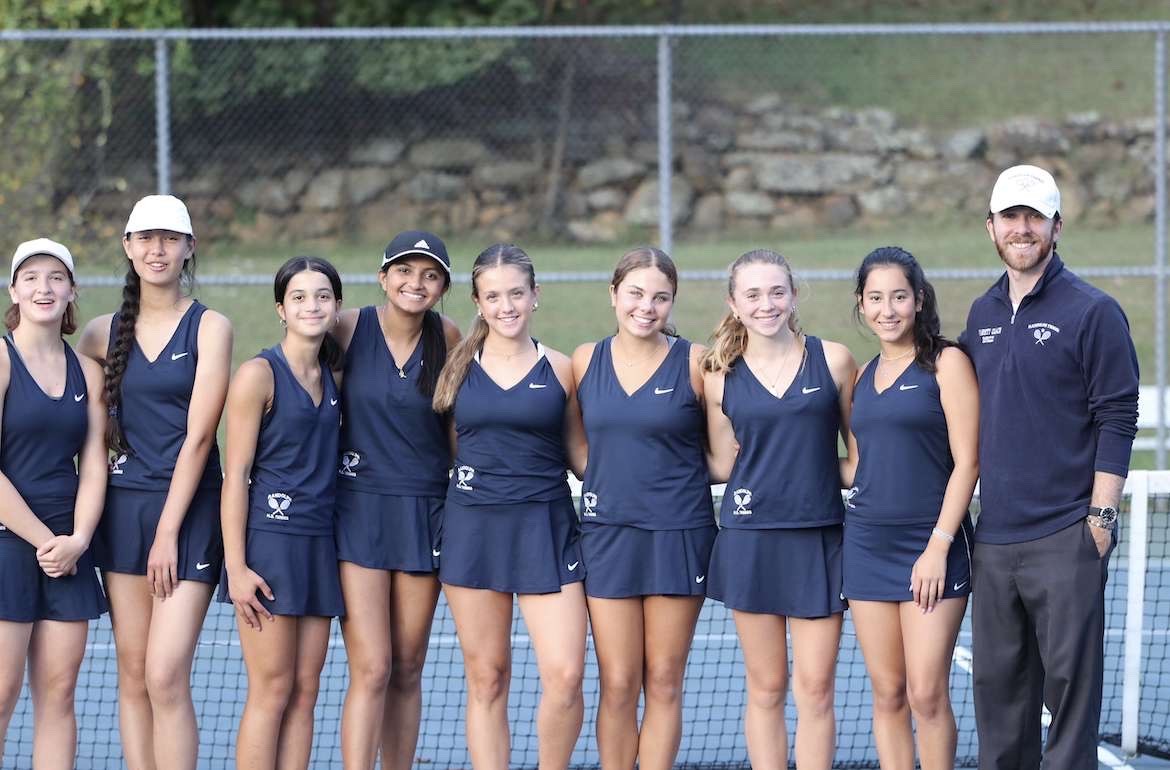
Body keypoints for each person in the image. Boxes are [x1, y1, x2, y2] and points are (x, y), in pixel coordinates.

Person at [963, 165, 1139, 770]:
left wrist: (1101, 516)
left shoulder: (1094, 312)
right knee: (999, 697)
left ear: (1057, 226)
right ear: (990, 228)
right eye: (1009, 216)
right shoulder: (980, 314)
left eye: (1034, 216)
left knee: (1070, 701)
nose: (1022, 228)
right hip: (994, 540)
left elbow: (1118, 417)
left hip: (1068, 534)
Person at [78, 195, 232, 770]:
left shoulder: (211, 327)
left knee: (166, 675)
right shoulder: (100, 333)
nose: (157, 248)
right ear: (127, 247)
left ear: (189, 247)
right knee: (134, 672)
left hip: (187, 516)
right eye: (145, 237)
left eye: (170, 238)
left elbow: (199, 439)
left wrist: (168, 530)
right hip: (122, 513)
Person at [432, 243, 586, 770]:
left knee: (565, 677)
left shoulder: (563, 369)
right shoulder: (455, 369)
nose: (506, 306)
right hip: (473, 530)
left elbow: (582, 456)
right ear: (477, 302)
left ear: (535, 295)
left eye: (516, 293)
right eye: (493, 296)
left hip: (546, 528)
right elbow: (454, 447)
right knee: (488, 677)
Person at [702, 249, 855, 770]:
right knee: (766, 687)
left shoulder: (833, 360)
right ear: (733, 303)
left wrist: (806, 475)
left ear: (793, 295)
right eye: (752, 294)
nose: (766, 304)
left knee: (815, 689)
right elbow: (722, 464)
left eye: (776, 292)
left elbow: (857, 461)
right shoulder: (718, 376)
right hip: (750, 540)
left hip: (818, 539)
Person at [570, 246, 713, 770]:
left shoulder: (697, 362)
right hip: (608, 536)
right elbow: (579, 449)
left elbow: (720, 455)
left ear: (672, 302)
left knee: (664, 679)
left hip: (680, 534)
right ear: (613, 295)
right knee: (619, 680)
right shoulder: (585, 360)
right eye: (635, 293)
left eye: (660, 297)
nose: (646, 307)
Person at [840, 247, 979, 770]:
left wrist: (937, 548)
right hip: (867, 548)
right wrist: (776, 463)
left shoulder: (947, 363)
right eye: (875, 298)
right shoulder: (862, 376)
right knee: (889, 694)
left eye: (899, 296)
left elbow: (968, 463)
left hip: (932, 547)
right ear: (861, 303)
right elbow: (857, 466)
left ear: (919, 299)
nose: (887, 309)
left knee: (926, 693)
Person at [333, 230, 461, 769]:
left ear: (443, 288)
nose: (416, 283)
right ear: (383, 277)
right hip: (358, 511)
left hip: (424, 512)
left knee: (408, 667)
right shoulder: (346, 326)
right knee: (372, 668)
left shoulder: (449, 335)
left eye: (430, 275)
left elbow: (458, 429)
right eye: (405, 271)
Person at [219, 256, 345, 770]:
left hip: (320, 545)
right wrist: (236, 567)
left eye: (322, 296)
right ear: (280, 308)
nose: (311, 305)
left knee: (305, 691)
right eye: (298, 297)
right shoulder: (257, 375)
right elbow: (236, 476)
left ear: (337, 307)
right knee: (271, 690)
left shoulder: (333, 374)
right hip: (270, 548)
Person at [0, 239, 107, 770]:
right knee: (0, 694)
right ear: (14, 290)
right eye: (32, 277)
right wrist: (46, 542)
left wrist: (78, 541)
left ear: (71, 291)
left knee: (59, 695)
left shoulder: (87, 372)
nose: (44, 288)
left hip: (69, 548)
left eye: (56, 278)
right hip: (11, 544)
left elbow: (94, 465)